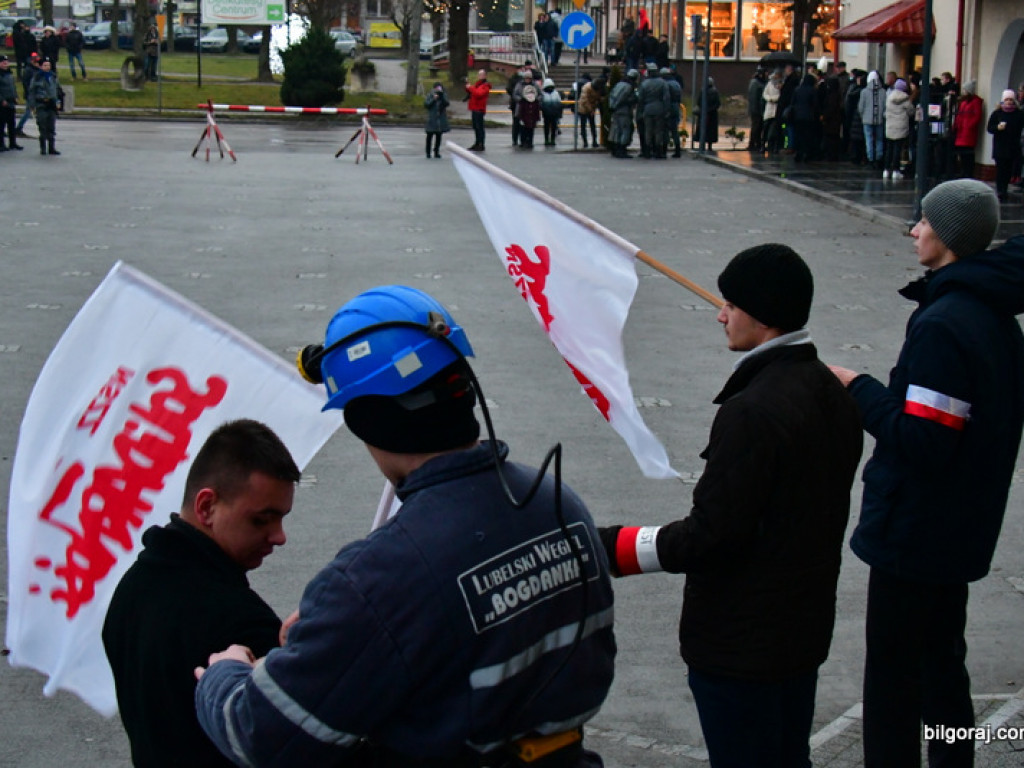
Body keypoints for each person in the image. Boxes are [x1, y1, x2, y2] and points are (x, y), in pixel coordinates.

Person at [194, 285, 617, 767]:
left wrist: (223, 676)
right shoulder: (559, 504)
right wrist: (340, 636)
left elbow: (259, 736)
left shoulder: (377, 578)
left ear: (363, 421)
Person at [600, 244, 863, 768]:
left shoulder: (753, 411)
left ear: (761, 314)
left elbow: (712, 536)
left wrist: (612, 546)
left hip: (742, 645)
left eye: (731, 305)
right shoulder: (827, 388)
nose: (720, 314)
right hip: (800, 631)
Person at [828, 180, 1024, 767]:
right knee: (943, 667)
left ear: (947, 235)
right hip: (959, 524)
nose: (912, 229)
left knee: (893, 682)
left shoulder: (945, 323)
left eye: (922, 221)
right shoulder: (992, 312)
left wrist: (857, 389)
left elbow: (926, 440)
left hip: (918, 530)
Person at [103, 419, 300, 768]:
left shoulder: (132, 589)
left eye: (281, 518)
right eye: (262, 520)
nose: (279, 536)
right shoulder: (238, 620)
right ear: (206, 506)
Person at [986, 89, 1024, 201]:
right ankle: (1000, 190)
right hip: (1000, 145)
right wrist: (997, 128)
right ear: (1003, 100)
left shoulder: (1019, 114)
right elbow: (989, 128)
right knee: (1000, 169)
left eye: (1011, 99)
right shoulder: (997, 113)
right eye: (1006, 99)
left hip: (1013, 146)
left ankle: (1005, 188)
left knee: (1008, 169)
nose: (1009, 102)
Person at [883, 78, 914, 180]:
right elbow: (911, 111)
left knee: (889, 149)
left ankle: (886, 170)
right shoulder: (905, 99)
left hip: (890, 126)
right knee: (897, 149)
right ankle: (896, 170)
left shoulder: (889, 97)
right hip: (901, 126)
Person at [29, 58, 61, 156]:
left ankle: (51, 148)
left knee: (51, 126)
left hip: (51, 105)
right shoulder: (37, 77)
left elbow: (57, 90)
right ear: (41, 66)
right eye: (45, 65)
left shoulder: (53, 76)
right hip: (41, 104)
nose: (47, 67)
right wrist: (32, 105)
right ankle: (43, 148)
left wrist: (58, 102)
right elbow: (32, 92)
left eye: (48, 65)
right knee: (42, 126)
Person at [951, 80, 983, 178]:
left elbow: (977, 116)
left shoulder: (975, 102)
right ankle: (963, 171)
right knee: (962, 153)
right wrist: (956, 125)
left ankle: (968, 172)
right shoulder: (964, 102)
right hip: (961, 131)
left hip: (968, 132)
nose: (963, 91)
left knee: (968, 154)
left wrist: (969, 126)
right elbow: (959, 115)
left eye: (965, 90)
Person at [636, 65, 668, 158]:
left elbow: (640, 99)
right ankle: (658, 151)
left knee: (648, 130)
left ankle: (647, 151)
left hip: (647, 109)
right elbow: (666, 98)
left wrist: (641, 111)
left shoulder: (644, 83)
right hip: (659, 108)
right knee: (658, 131)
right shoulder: (663, 83)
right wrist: (666, 110)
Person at [858, 70, 886, 168]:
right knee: (879, 139)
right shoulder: (883, 91)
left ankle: (870, 158)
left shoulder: (864, 91)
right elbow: (885, 106)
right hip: (879, 119)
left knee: (869, 139)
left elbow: (861, 107)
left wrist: (863, 116)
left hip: (867, 119)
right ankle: (879, 158)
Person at [608, 68, 638, 158]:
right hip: (624, 110)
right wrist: (634, 99)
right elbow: (624, 98)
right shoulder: (629, 86)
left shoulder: (619, 84)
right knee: (625, 129)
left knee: (616, 129)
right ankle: (621, 150)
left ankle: (615, 149)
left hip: (615, 110)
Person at [0, 56, 23, 151]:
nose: (6, 64)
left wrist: (16, 96)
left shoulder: (9, 74)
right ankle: (1, 144)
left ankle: (12, 143)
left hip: (11, 102)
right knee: (1, 125)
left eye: (7, 62)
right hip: (2, 103)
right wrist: (2, 100)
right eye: (3, 62)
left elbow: (13, 87)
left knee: (11, 124)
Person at [465, 69, 490, 152]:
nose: (480, 76)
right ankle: (477, 142)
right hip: (474, 108)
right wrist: (467, 87)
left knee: (480, 127)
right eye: (479, 75)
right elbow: (473, 92)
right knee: (475, 127)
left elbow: (478, 94)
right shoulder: (478, 84)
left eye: (481, 75)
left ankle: (481, 144)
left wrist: (470, 88)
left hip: (479, 108)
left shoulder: (485, 86)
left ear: (485, 76)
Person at [423, 81, 449, 159]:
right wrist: (433, 99)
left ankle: (436, 151)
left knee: (439, 136)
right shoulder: (430, 94)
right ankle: (428, 152)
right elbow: (426, 104)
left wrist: (442, 97)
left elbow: (447, 103)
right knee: (429, 136)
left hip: (440, 119)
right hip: (432, 118)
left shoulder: (443, 94)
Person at [514, 71, 541, 149]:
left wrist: (536, 99)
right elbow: (515, 94)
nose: (528, 79)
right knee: (522, 126)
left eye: (529, 78)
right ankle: (523, 141)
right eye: (526, 78)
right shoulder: (519, 85)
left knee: (531, 127)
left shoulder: (535, 85)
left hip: (532, 109)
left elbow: (540, 95)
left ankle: (530, 142)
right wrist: (520, 99)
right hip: (522, 108)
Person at [576, 72, 600, 149]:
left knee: (592, 125)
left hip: (591, 107)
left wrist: (594, 108)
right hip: (583, 108)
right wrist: (591, 110)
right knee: (585, 125)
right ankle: (585, 142)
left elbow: (597, 99)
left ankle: (594, 141)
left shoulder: (596, 88)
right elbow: (584, 101)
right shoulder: (586, 88)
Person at [747, 66, 766, 153]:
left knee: (758, 127)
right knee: (756, 126)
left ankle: (756, 143)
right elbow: (754, 98)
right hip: (756, 110)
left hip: (758, 109)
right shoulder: (756, 83)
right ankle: (753, 143)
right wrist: (757, 110)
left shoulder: (759, 82)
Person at [540, 77, 563, 147]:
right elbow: (559, 103)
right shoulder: (556, 93)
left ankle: (549, 139)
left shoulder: (543, 94)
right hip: (552, 113)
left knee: (550, 127)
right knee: (551, 127)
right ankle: (550, 139)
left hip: (548, 113)